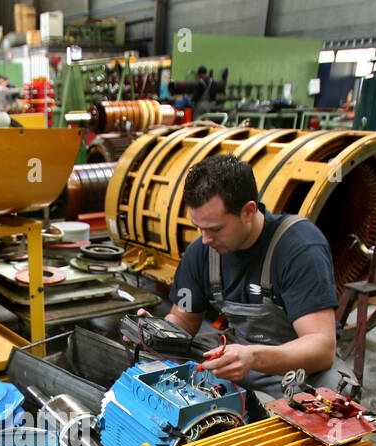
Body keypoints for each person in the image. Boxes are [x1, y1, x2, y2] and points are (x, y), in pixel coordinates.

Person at [141, 154, 339, 414]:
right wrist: (154, 332)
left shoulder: (299, 248)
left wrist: (253, 357)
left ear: (248, 211)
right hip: (236, 356)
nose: (205, 239)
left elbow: (322, 347)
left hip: (296, 372)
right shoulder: (201, 252)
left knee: (333, 399)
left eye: (214, 228)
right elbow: (184, 318)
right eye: (198, 227)